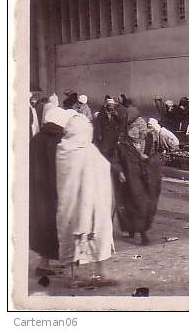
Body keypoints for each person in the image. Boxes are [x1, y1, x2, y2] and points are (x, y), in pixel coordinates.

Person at [55, 111, 115, 288]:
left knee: (72, 235)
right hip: (90, 204)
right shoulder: (87, 151)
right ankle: (99, 273)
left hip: (69, 206)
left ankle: (77, 276)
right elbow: (104, 167)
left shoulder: (63, 150)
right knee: (96, 233)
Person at [30, 107, 74, 277]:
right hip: (52, 191)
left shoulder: (37, 138)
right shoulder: (56, 141)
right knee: (54, 225)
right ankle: (45, 265)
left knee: (42, 226)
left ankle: (44, 263)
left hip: (37, 192)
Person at [114, 115, 164, 246]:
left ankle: (136, 228)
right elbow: (116, 159)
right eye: (136, 127)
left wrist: (148, 159)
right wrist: (119, 171)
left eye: (142, 128)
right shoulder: (122, 143)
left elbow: (156, 155)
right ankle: (142, 233)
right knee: (137, 203)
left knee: (147, 204)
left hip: (147, 176)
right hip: (131, 177)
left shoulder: (149, 139)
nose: (140, 132)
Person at [93, 97, 124, 164]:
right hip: (105, 135)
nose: (111, 107)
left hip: (114, 135)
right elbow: (98, 124)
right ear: (107, 105)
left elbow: (122, 122)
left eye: (112, 105)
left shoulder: (116, 113)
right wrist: (99, 134)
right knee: (104, 151)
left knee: (112, 151)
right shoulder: (102, 113)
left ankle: (111, 164)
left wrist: (117, 115)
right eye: (109, 105)